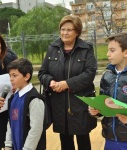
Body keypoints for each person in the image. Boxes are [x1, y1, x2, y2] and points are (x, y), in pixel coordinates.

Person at [38, 15, 97, 150]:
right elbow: (42, 73)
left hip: (80, 103)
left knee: (83, 140)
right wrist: (51, 82)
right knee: (65, 141)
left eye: (69, 30)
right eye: (62, 29)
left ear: (77, 31)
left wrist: (67, 84)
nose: (65, 33)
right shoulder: (52, 48)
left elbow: (89, 74)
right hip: (59, 104)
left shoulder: (86, 49)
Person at [89, 32, 127, 150]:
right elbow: (105, 104)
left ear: (126, 52)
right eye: (108, 50)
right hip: (110, 139)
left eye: (112, 50)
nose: (107, 54)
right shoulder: (107, 76)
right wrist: (97, 110)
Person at [5, 58, 46, 150]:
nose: (11, 79)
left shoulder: (34, 99)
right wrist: (8, 144)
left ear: (26, 77)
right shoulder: (13, 98)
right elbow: (10, 122)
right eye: (10, 76)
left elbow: (36, 129)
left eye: (14, 76)